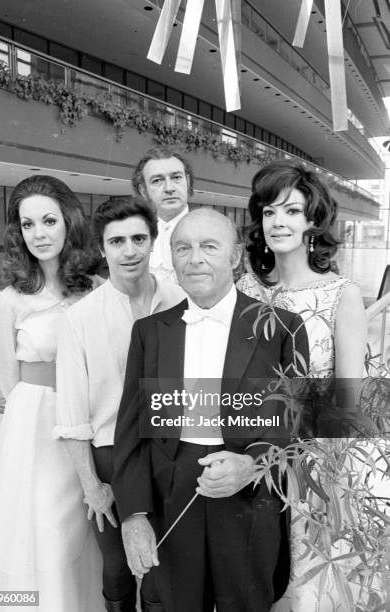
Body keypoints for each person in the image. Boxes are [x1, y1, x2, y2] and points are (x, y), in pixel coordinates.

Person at [113, 208, 310, 612]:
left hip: (248, 494)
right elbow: (131, 431)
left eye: (209, 246)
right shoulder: (149, 332)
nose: (195, 258)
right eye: (183, 248)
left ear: (235, 256)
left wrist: (253, 465)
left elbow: (297, 425)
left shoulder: (283, 327)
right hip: (170, 491)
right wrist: (133, 514)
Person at [236, 160, 367, 610]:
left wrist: (322, 469)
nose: (278, 222)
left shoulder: (341, 294)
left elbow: (349, 400)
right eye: (269, 212)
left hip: (314, 461)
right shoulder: (246, 291)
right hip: (251, 455)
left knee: (309, 580)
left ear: (313, 219)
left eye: (291, 211)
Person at [54, 196, 185, 612]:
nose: (129, 250)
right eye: (117, 241)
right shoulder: (81, 319)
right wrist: (92, 485)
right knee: (117, 565)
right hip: (111, 455)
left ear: (152, 240)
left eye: (138, 238)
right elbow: (73, 416)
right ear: (103, 248)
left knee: (162, 564)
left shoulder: (181, 302)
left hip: (171, 451)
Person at [0, 175, 105, 611]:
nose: (39, 234)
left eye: (49, 221)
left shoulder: (96, 290)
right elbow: (10, 384)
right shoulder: (8, 302)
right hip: (37, 426)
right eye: (28, 224)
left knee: (86, 526)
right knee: (45, 527)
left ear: (69, 222)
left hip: (92, 416)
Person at [132, 146, 193, 283]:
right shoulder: (133, 235)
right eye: (157, 181)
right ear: (143, 190)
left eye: (176, 177)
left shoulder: (212, 230)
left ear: (187, 181)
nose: (169, 188)